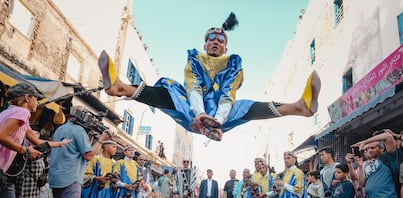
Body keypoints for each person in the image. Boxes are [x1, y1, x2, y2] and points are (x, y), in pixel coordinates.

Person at [98, 13, 321, 142]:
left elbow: (228, 94)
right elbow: (193, 88)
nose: (216, 41)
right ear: (205, 44)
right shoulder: (194, 59)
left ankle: (299, 107)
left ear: (225, 47)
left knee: (245, 106)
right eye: (211, 38)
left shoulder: (234, 63)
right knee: (172, 88)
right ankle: (121, 88)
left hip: (222, 112)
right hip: (192, 110)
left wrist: (218, 121)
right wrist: (201, 115)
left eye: (220, 40)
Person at [0, 83, 69, 198]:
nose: (37, 102)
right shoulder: (22, 112)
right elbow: (1, 135)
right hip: (1, 169)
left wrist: (59, 144)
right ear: (27, 98)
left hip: (5, 172)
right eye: (35, 98)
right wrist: (25, 151)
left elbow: (37, 141)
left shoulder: (9, 112)